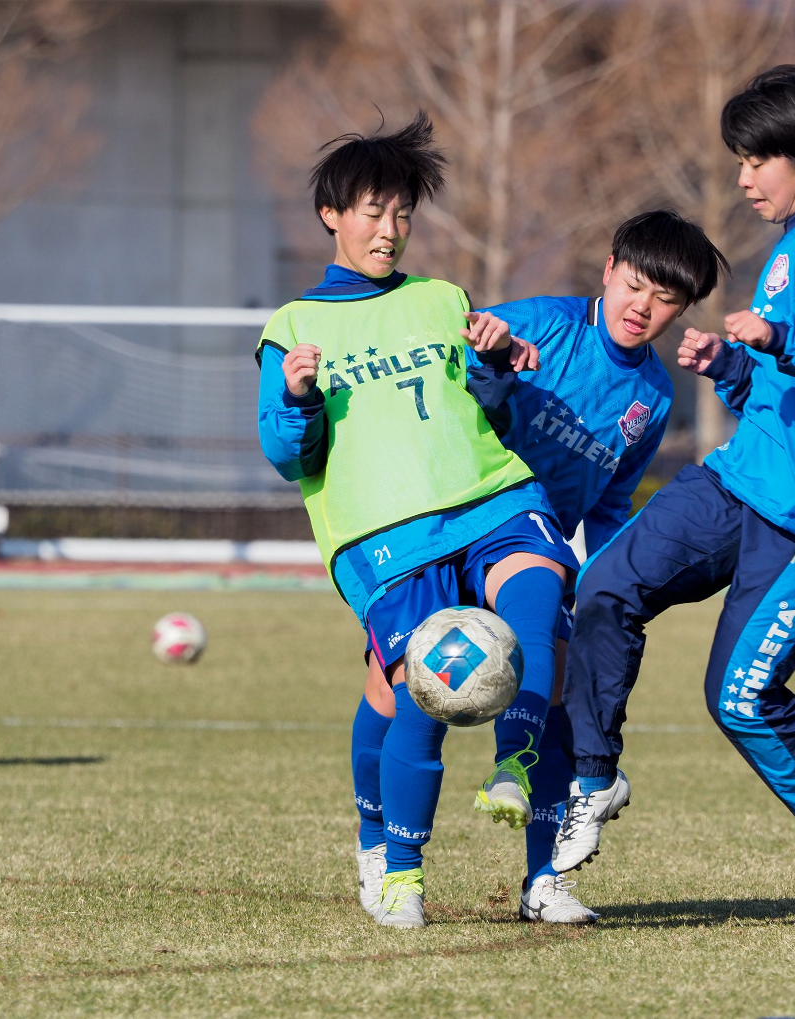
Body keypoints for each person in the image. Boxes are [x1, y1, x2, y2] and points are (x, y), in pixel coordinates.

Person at [554, 65, 795, 917]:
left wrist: (780, 330)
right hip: (742, 479)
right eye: (740, 159)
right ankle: (595, 779)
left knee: (740, 697)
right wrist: (736, 365)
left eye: (758, 160)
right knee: (605, 584)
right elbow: (793, 390)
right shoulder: (791, 245)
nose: (745, 176)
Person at [356, 209, 730, 924]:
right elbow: (453, 385)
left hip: (537, 550)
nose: (642, 307)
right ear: (609, 269)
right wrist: (491, 362)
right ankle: (385, 853)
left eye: (665, 300)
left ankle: (542, 877)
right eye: (635, 285)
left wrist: (609, 580)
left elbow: (611, 498)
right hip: (450, 525)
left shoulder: (651, 395)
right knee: (402, 694)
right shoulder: (544, 323)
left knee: (556, 693)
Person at [256, 113, 578, 928]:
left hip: (494, 497)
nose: (390, 230)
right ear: (333, 213)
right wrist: (296, 399)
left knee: (542, 615)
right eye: (373, 211)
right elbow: (289, 455)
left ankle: (538, 854)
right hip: (387, 536)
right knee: (415, 697)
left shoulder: (442, 300)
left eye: (402, 213)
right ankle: (398, 867)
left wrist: (496, 366)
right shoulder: (292, 328)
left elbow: (494, 415)